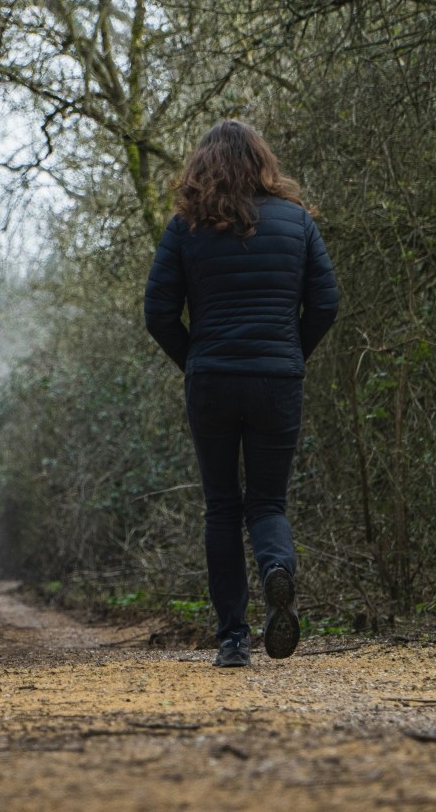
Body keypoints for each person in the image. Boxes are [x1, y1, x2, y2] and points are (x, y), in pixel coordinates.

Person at [144, 119, 339, 667]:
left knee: (223, 507)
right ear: (262, 162)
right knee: (268, 501)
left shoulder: (186, 227)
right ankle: (278, 569)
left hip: (212, 381)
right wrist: (290, 355)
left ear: (203, 165)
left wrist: (196, 362)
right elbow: (326, 304)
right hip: (277, 380)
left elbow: (158, 313)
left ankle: (233, 639)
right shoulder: (297, 222)